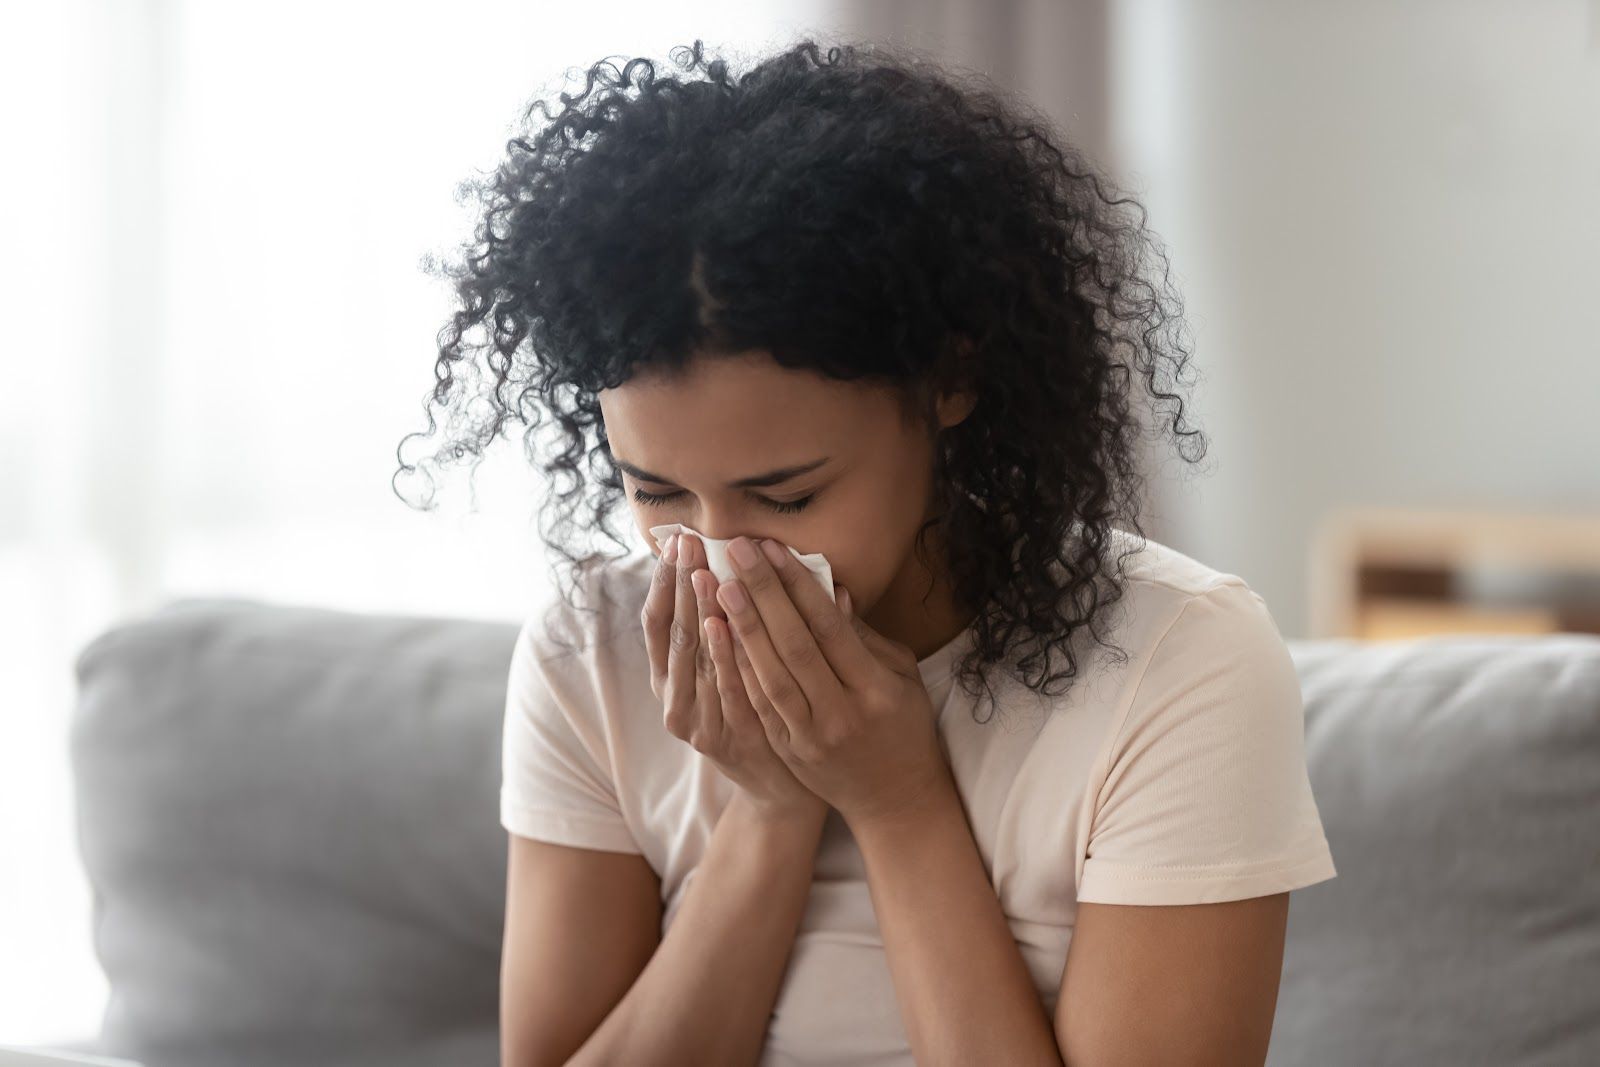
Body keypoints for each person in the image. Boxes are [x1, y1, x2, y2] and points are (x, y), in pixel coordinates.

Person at [393, 35, 1337, 1067]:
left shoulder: (1177, 659)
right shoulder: (593, 654)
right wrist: (767, 814)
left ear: (950, 382)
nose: (714, 554)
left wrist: (899, 803)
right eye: (655, 489)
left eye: (785, 494)